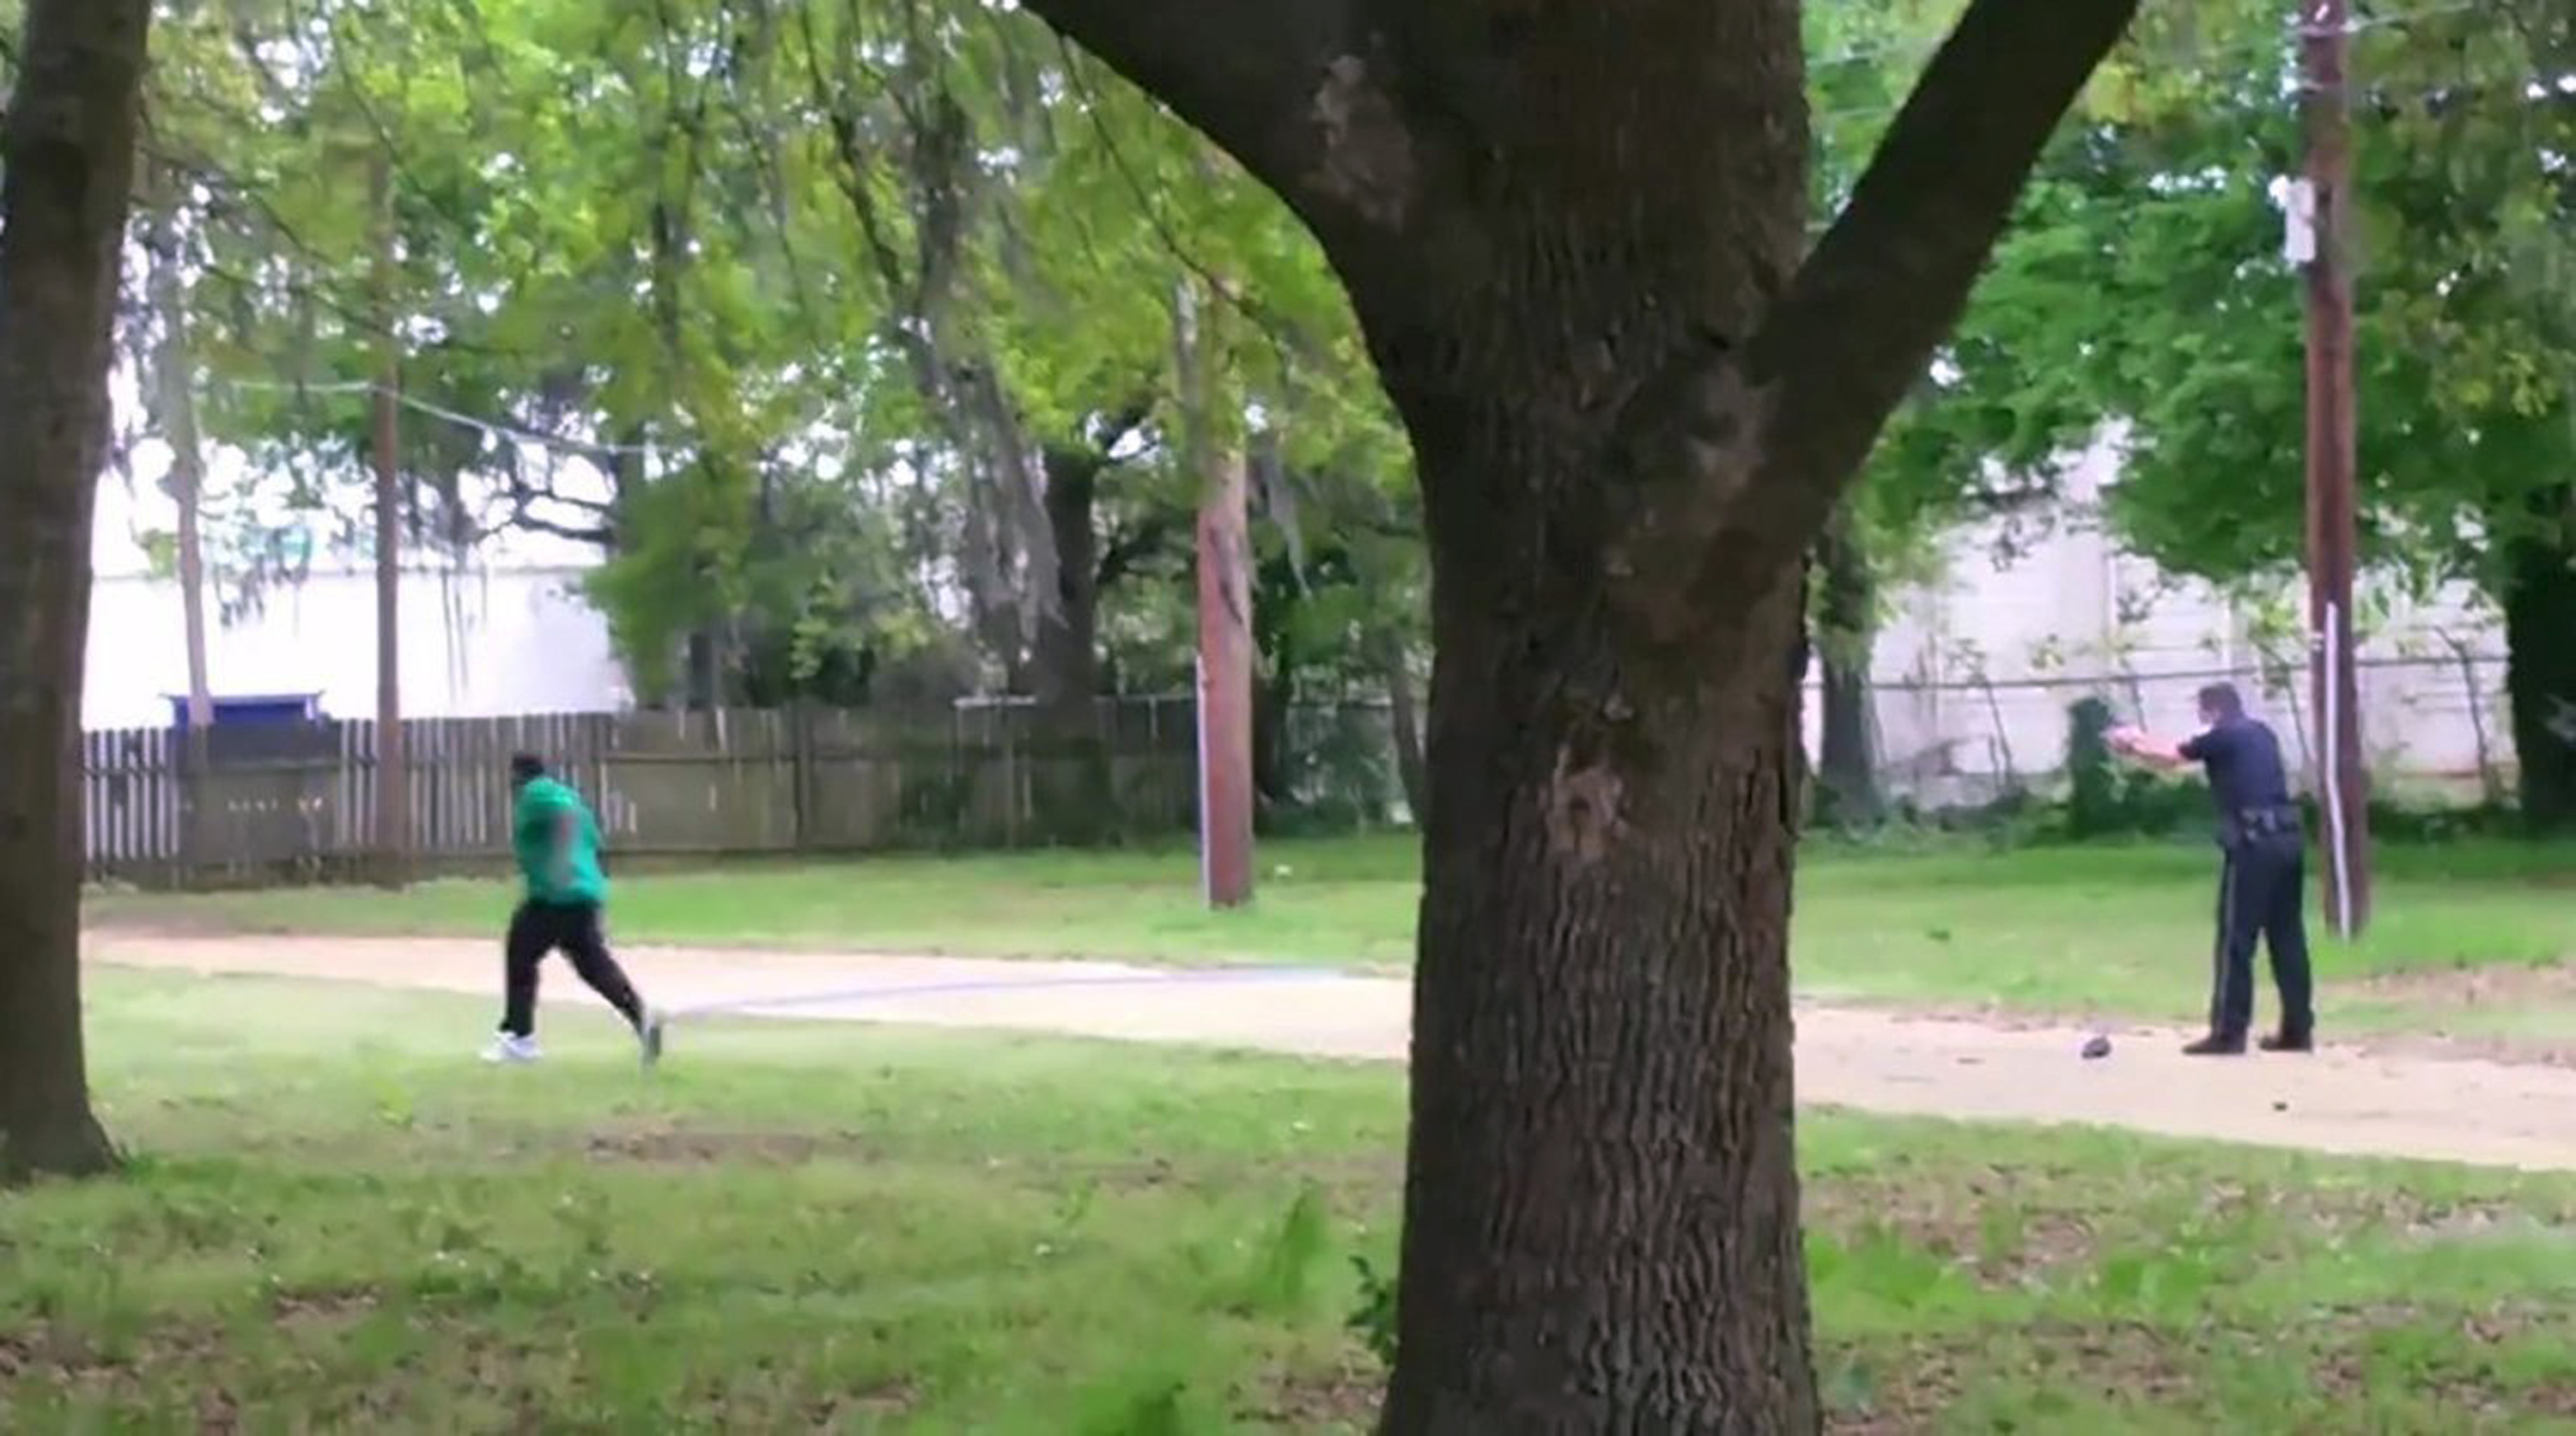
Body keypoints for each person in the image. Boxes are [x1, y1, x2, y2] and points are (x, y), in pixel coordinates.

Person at [2108, 683, 2316, 1056]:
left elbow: (2172, 755)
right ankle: (2297, 1029)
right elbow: (2175, 757)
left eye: (2201, 713)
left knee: (2236, 939)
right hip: (2287, 840)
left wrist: (2132, 741)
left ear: (2212, 711)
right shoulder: (2260, 733)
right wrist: (2140, 749)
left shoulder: (2223, 735)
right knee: (2287, 937)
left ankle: (2228, 1032)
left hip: (2253, 845)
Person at [487, 752, 665, 1067]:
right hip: (583, 895)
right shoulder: (571, 796)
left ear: (516, 776)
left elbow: (564, 818)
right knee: (594, 967)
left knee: (521, 953)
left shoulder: (536, 792)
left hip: (556, 894)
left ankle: (520, 1039)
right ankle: (641, 1018)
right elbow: (593, 843)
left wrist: (559, 865)